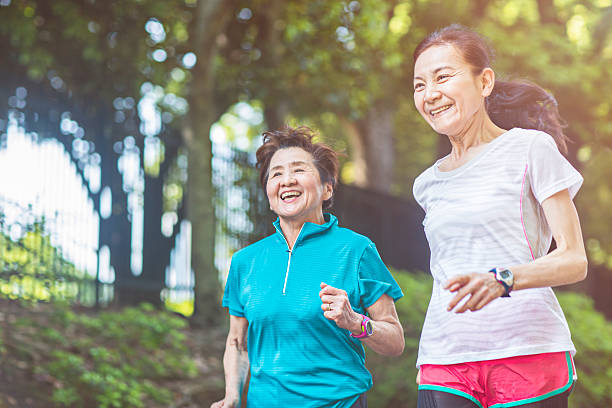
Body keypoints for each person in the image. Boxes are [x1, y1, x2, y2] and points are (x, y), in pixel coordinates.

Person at [411, 25, 587, 408]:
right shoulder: (426, 184)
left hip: (528, 350)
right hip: (446, 357)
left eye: (443, 77)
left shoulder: (530, 149)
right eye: (419, 85)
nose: (430, 94)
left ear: (484, 81)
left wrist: (502, 279)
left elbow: (574, 258)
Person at [210, 126, 405, 408]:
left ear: (327, 188)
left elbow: (395, 340)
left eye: (299, 170)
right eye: (276, 174)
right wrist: (231, 396)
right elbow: (237, 343)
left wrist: (355, 322)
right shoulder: (245, 262)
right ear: (268, 190)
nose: (286, 180)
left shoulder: (356, 249)